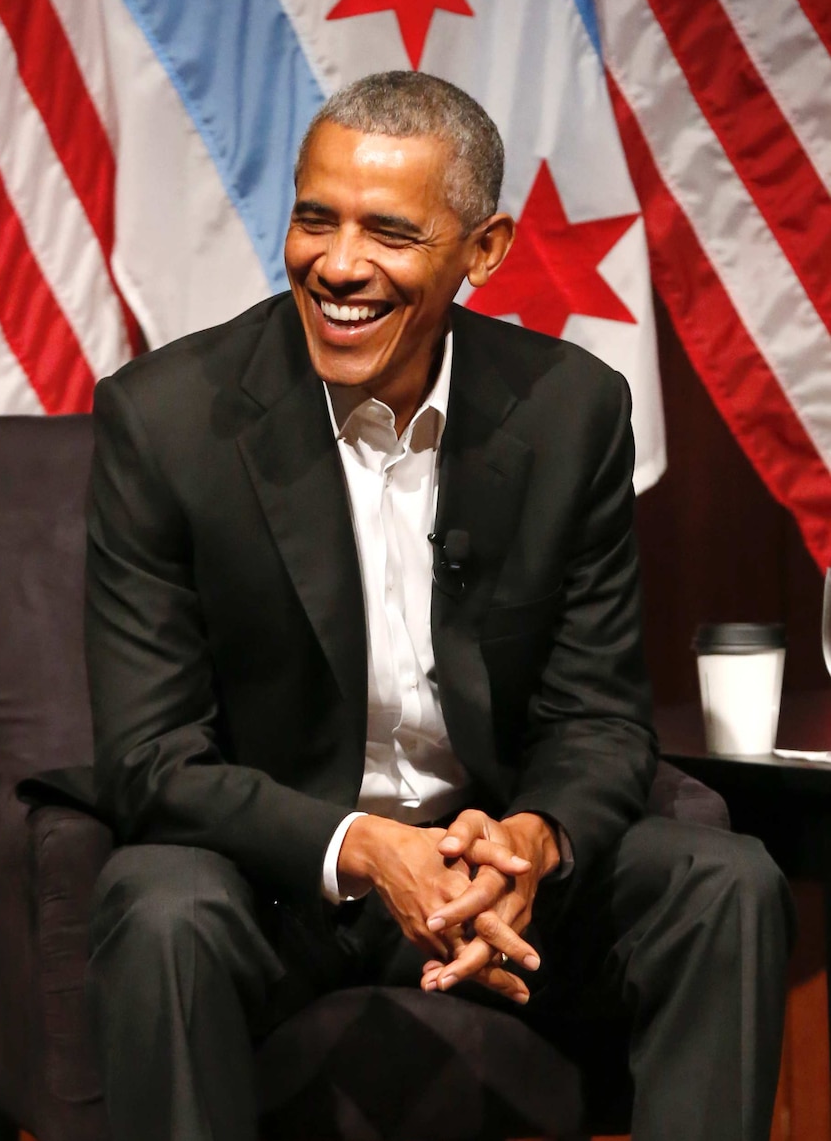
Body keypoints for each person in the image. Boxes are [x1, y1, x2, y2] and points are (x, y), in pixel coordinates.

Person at [79, 71, 793, 1140]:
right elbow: (151, 760)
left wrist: (528, 845)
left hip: (489, 876)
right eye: (314, 219)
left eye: (390, 232)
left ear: (485, 250)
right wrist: (367, 848)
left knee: (721, 880)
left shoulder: (569, 412)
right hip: (280, 882)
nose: (338, 265)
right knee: (158, 908)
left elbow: (597, 718)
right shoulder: (167, 420)